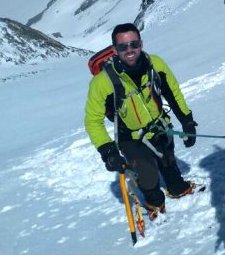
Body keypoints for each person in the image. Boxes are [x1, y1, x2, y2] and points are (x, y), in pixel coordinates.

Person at [85, 22, 200, 216]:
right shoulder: (102, 82)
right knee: (147, 175)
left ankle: (178, 188)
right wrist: (109, 151)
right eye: (122, 46)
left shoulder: (156, 64)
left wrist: (187, 121)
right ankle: (154, 202)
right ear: (115, 49)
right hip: (130, 136)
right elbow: (92, 121)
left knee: (168, 159)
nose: (129, 50)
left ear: (141, 43)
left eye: (134, 44)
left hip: (159, 126)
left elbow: (173, 93)